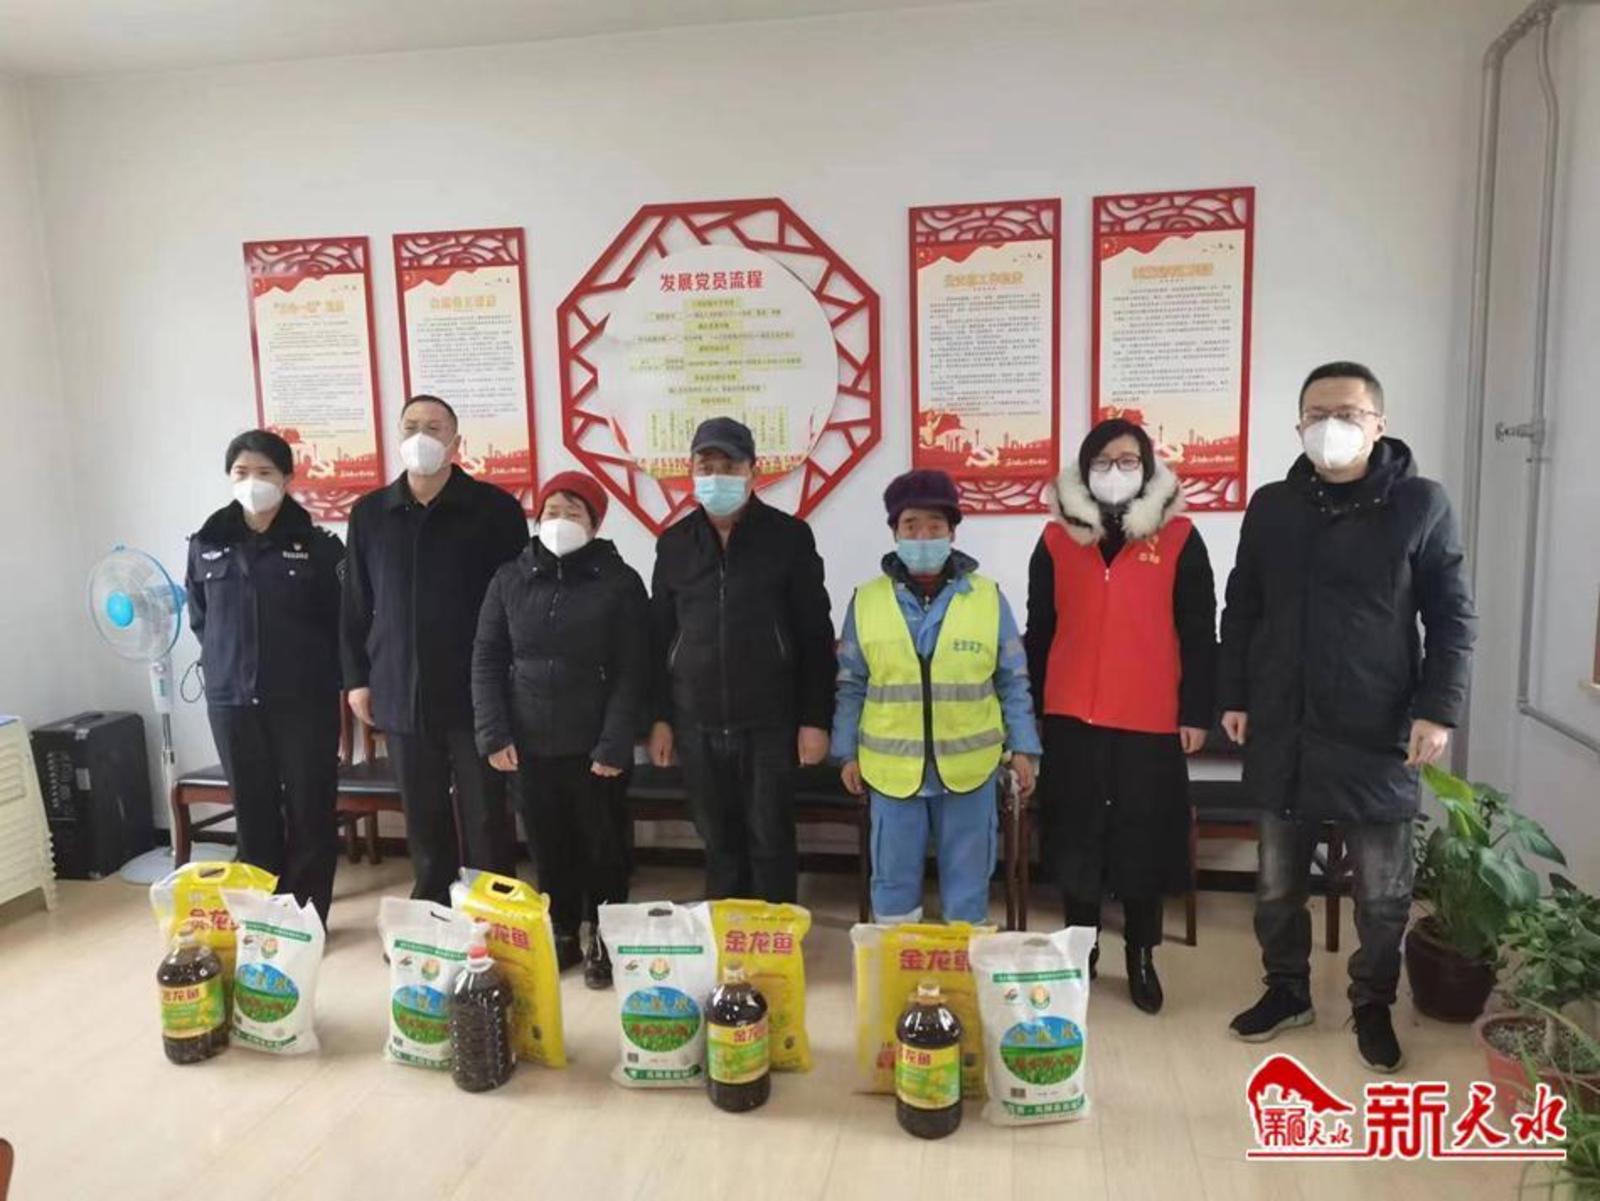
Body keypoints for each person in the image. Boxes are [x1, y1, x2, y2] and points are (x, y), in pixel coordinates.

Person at [1221, 361, 1476, 1072]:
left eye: (1348, 413)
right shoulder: (1272, 506)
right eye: (1316, 414)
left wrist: (1437, 710)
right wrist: (1234, 695)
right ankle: (1287, 990)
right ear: (1299, 424)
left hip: (1379, 728)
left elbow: (1452, 617)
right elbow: (1242, 607)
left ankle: (1372, 1003)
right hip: (1285, 724)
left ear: (1379, 424)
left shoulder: (1421, 504)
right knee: (1277, 883)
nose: (1330, 426)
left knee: (1384, 895)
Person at [1023, 420, 1216, 1014]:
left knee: (1142, 839)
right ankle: (1080, 950)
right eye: (1102, 461)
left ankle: (1140, 954)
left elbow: (1199, 633)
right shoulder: (1056, 540)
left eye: (1128, 460)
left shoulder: (1180, 538)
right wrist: (1030, 713)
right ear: (1084, 471)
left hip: (1149, 715)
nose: (1115, 470)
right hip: (1070, 714)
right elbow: (1040, 631)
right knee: (1076, 836)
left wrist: (1196, 710)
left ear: (1148, 467)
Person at [341, 395, 529, 904]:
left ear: (455, 441)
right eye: (411, 426)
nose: (421, 436)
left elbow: (518, 603)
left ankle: (494, 909)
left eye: (434, 426)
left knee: (485, 813)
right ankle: (431, 909)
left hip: (477, 691)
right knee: (422, 813)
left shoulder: (495, 509)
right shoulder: (370, 513)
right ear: (398, 436)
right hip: (400, 685)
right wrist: (357, 679)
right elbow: (355, 603)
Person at [833, 469, 1041, 925]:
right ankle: (895, 961)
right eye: (911, 525)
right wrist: (846, 753)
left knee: (968, 883)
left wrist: (1024, 748)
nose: (923, 536)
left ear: (952, 532)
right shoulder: (866, 601)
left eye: (935, 525)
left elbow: (1013, 681)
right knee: (892, 881)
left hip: (970, 771)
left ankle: (962, 965)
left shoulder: (987, 598)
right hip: (891, 772)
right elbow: (851, 684)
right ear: (895, 532)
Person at [647, 416, 836, 904]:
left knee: (770, 839)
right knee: (719, 842)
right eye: (706, 466)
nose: (717, 476)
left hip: (770, 721)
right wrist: (660, 718)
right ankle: (727, 935)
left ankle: (773, 937)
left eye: (729, 466)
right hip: (696, 722)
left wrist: (815, 719)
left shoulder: (790, 538)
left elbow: (815, 636)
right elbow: (660, 636)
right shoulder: (674, 544)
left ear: (754, 470)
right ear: (691, 471)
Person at [472, 472, 648, 987]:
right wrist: (493, 733)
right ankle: (565, 929)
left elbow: (633, 669)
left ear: (594, 523)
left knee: (603, 846)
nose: (560, 520)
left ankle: (607, 936)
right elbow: (487, 657)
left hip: (595, 744)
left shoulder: (619, 582)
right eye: (552, 510)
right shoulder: (509, 578)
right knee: (548, 845)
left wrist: (615, 741)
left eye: (574, 512)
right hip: (528, 742)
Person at [186, 430, 344, 925]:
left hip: (304, 701)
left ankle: (305, 918)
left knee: (309, 808)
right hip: (231, 700)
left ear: (287, 478)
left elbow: (341, 621)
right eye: (241, 472)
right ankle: (263, 917)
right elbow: (201, 618)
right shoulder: (207, 544)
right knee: (253, 811)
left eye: (264, 472)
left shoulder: (318, 546)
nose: (252, 482)